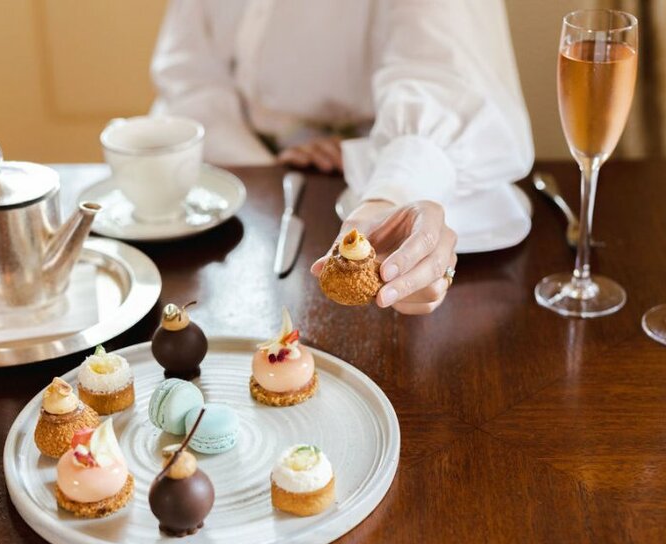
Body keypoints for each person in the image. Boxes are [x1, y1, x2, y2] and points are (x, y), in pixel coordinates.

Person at [149, 0, 534, 314]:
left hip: (365, 171)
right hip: (228, 170)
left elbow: (439, 71)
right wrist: (263, 164)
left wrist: (391, 199)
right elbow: (189, 75)